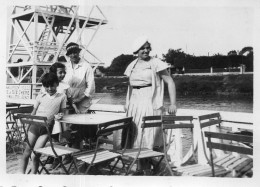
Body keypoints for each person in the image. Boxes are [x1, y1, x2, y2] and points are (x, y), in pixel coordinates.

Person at [124, 36, 177, 174]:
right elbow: (130, 87)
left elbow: (170, 82)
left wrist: (172, 104)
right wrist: (127, 103)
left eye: (148, 48)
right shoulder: (132, 65)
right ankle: (142, 170)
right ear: (136, 50)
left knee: (149, 139)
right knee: (136, 139)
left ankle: (158, 172)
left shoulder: (156, 63)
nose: (146, 50)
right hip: (134, 105)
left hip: (149, 103)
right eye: (143, 48)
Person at [19, 73, 67, 174]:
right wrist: (27, 128)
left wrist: (59, 116)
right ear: (44, 86)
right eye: (47, 86)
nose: (50, 88)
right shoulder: (40, 96)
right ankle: (21, 175)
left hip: (46, 129)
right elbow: (33, 112)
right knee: (27, 153)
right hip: (34, 127)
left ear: (57, 84)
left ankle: (33, 177)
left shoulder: (62, 96)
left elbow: (62, 112)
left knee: (35, 155)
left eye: (52, 85)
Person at [62, 42, 95, 163]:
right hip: (68, 100)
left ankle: (75, 153)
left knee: (78, 128)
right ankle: (67, 153)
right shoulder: (66, 66)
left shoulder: (86, 66)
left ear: (79, 52)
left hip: (82, 101)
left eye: (75, 52)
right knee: (67, 128)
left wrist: (80, 99)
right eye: (71, 53)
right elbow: (63, 83)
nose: (73, 55)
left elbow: (91, 87)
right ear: (68, 55)